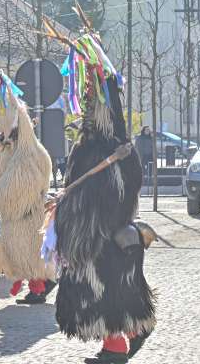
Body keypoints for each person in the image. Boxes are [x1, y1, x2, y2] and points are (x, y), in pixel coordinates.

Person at [53, 32, 156, 363]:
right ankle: (127, 336)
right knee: (111, 293)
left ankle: (117, 348)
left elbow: (117, 191)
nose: (85, 110)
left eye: (91, 103)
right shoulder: (103, 149)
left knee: (109, 292)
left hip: (102, 235)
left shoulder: (109, 150)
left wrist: (81, 214)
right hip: (98, 233)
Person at [0, 69, 56, 305]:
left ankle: (39, 288)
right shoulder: (8, 147)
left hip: (27, 215)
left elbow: (18, 182)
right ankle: (37, 287)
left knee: (28, 252)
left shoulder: (28, 152)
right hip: (15, 216)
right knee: (19, 251)